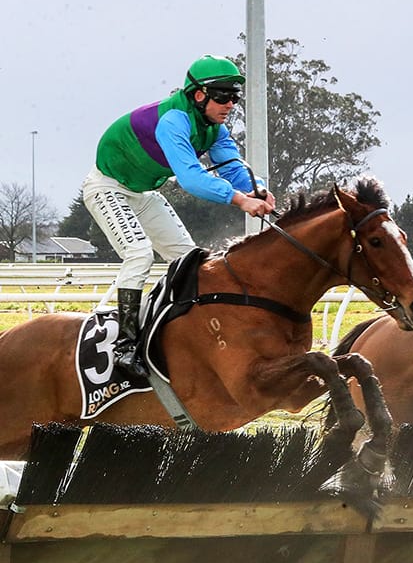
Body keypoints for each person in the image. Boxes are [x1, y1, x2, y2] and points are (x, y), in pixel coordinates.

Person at [82, 54, 277, 378]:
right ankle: (124, 345)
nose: (230, 104)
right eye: (223, 96)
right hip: (106, 187)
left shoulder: (214, 128)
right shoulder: (174, 121)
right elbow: (190, 178)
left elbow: (231, 166)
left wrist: (257, 190)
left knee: (190, 261)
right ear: (199, 95)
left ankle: (180, 332)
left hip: (143, 193)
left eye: (234, 97)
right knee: (139, 254)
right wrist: (241, 201)